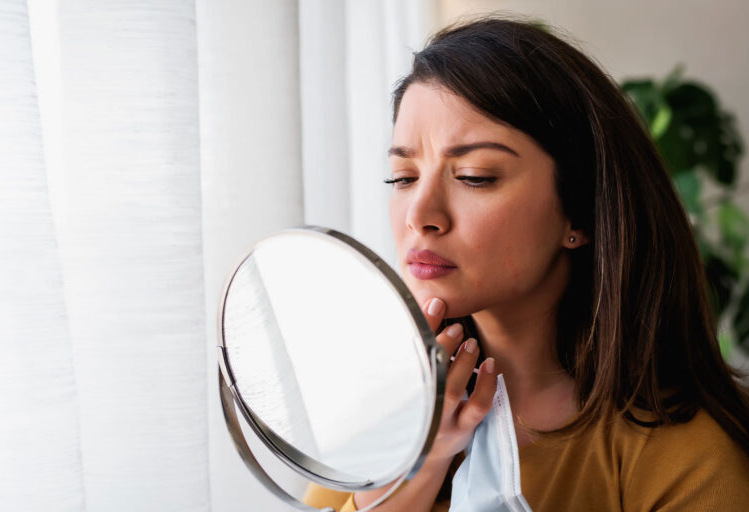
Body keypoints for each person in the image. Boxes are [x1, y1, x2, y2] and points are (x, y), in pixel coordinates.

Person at [304, 16, 749, 512]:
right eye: (402, 177)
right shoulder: (388, 419)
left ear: (579, 210)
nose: (419, 215)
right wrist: (406, 484)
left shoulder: (687, 455)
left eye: (474, 176)